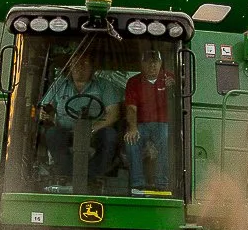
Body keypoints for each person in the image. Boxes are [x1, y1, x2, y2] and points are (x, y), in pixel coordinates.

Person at [38, 49, 126, 190]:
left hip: (95, 133)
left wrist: (92, 129)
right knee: (52, 134)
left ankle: (93, 177)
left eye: (85, 63)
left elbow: (113, 114)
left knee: (110, 136)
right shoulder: (59, 84)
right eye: (76, 63)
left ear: (92, 67)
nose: (80, 67)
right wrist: (44, 113)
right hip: (67, 131)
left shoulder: (104, 86)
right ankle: (67, 176)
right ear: (70, 66)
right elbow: (46, 107)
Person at [123, 45, 174, 194]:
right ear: (142, 64)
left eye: (155, 62)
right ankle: (137, 184)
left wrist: (174, 88)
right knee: (131, 140)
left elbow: (181, 102)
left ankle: (161, 184)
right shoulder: (133, 82)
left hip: (163, 124)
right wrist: (132, 128)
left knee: (166, 138)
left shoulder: (170, 78)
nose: (152, 65)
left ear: (160, 63)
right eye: (148, 62)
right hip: (141, 124)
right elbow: (131, 108)